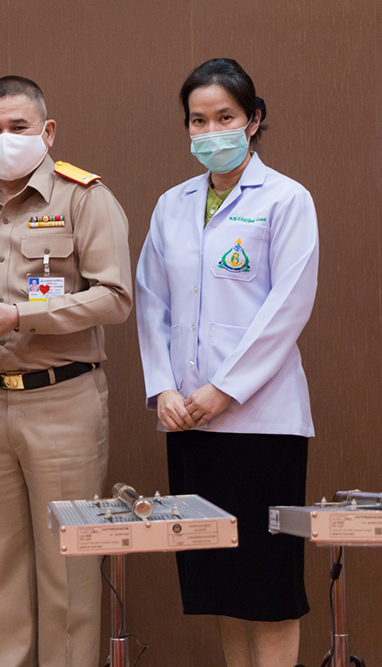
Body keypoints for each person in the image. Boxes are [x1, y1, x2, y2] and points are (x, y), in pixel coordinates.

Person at [0, 76, 133, 667]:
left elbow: (116, 297)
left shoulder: (83, 197)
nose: (5, 138)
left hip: (61, 399)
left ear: (47, 131)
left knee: (68, 570)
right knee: (1, 568)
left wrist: (21, 316)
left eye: (19, 126)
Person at [136, 58, 317, 667]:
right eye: (198, 120)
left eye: (225, 117)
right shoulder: (172, 205)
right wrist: (163, 388)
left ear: (253, 119)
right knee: (220, 586)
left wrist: (225, 389)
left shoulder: (286, 199)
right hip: (189, 421)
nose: (211, 132)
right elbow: (151, 302)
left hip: (262, 425)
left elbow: (287, 308)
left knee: (268, 588)